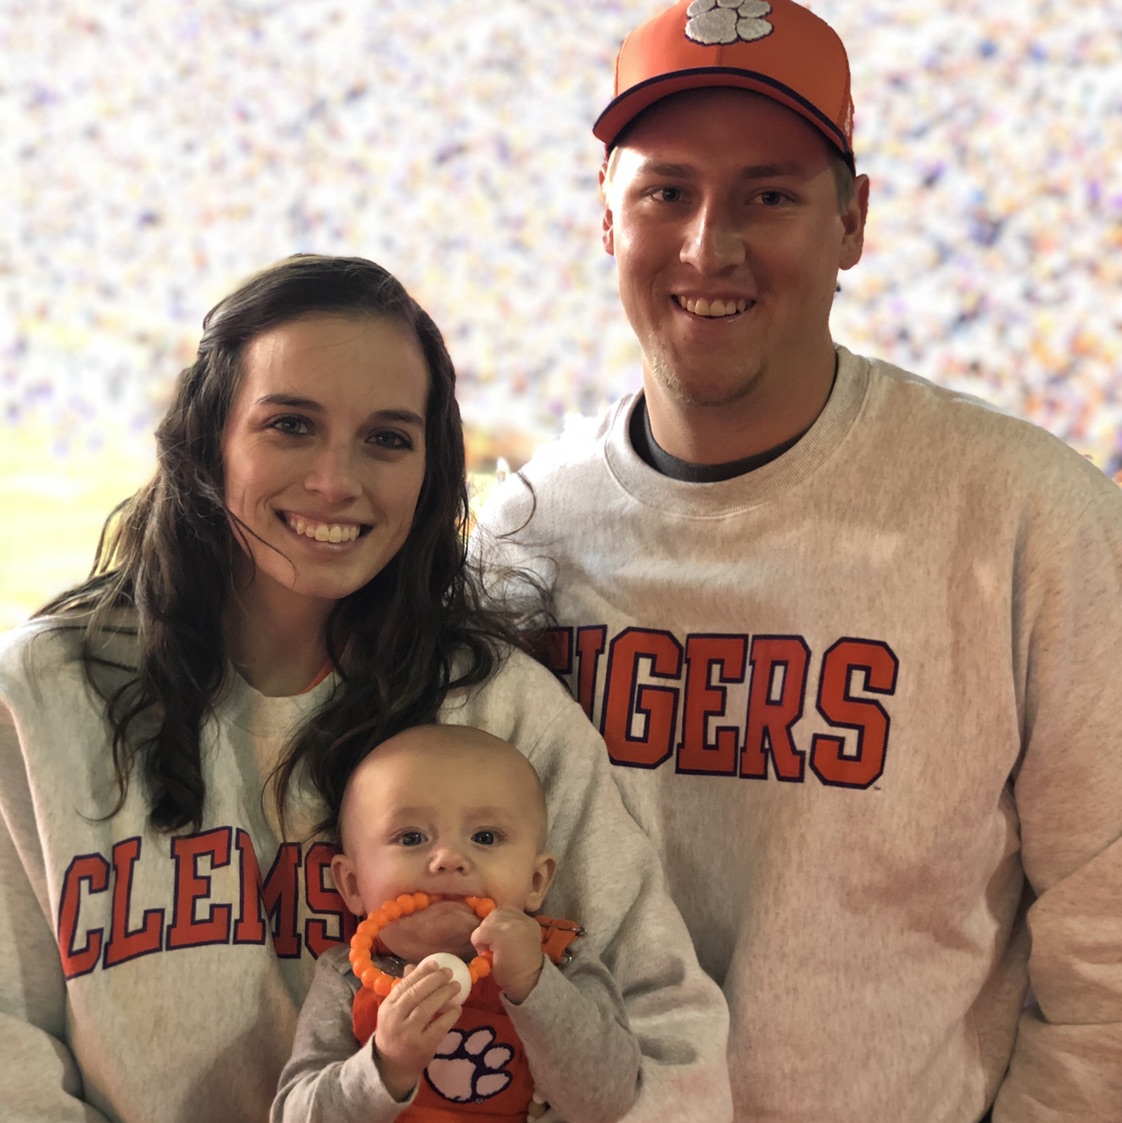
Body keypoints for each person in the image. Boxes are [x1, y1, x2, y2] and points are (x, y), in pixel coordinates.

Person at [473, 2, 1122, 1120]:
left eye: (768, 195)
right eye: (666, 192)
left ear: (853, 220)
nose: (708, 247)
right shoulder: (524, 534)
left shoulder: (1030, 516)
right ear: (606, 215)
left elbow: (1105, 934)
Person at [0, 254, 732, 1122]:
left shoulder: (499, 709)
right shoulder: (38, 699)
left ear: (431, 470)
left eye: (387, 438)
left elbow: (668, 1039)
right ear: (208, 439)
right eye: (290, 424)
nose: (336, 481)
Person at [273, 723, 640, 1121]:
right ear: (352, 883)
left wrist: (534, 984)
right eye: (411, 838)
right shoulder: (347, 979)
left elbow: (609, 1101)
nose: (448, 858)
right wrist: (386, 1065)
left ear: (536, 882)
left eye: (485, 837)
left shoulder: (559, 960)